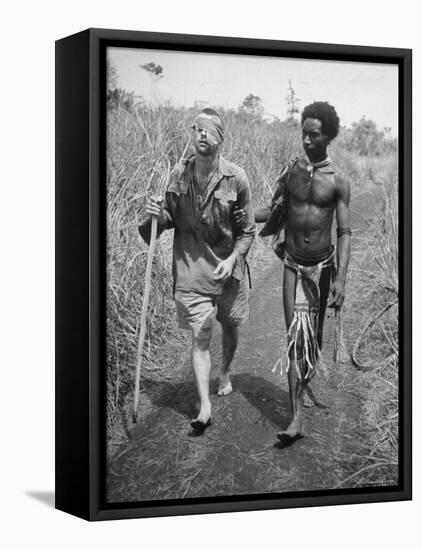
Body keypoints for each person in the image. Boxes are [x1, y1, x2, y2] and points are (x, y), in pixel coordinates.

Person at [237, 101, 351, 442]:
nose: (306, 141)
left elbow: (344, 232)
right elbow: (271, 212)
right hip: (292, 265)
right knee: (293, 340)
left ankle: (306, 383)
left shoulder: (338, 182)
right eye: (303, 134)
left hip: (322, 269)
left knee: (312, 340)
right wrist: (237, 214)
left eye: (314, 135)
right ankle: (295, 418)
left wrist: (341, 279)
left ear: (328, 136)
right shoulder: (291, 173)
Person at [139, 109, 256, 432]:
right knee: (201, 333)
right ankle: (204, 406)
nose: (202, 134)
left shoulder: (237, 178)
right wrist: (153, 214)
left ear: (221, 138)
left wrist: (234, 260)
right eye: (197, 129)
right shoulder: (177, 177)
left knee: (230, 326)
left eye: (209, 129)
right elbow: (157, 228)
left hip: (228, 270)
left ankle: (226, 370)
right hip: (192, 271)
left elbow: (247, 232)